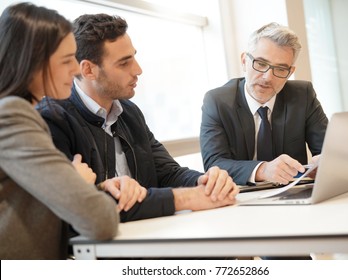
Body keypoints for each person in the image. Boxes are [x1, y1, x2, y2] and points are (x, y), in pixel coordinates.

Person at [38, 13, 239, 223]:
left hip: (147, 234)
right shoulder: (52, 119)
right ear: (88, 70)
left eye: (133, 57)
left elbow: (167, 173)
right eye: (124, 63)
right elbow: (89, 206)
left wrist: (206, 182)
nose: (138, 70)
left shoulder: (129, 111)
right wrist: (186, 198)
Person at [0, 3, 148, 259]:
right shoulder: (13, 114)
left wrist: (91, 187)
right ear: (35, 61)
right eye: (67, 60)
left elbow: (45, 201)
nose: (76, 69)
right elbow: (100, 221)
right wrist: (79, 181)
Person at [200, 22, 328, 186]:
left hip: (294, 195)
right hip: (240, 199)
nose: (268, 77)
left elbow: (327, 150)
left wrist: (324, 163)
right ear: (244, 61)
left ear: (290, 72)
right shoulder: (217, 101)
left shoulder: (303, 95)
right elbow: (214, 164)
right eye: (260, 64)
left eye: (281, 69)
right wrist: (263, 170)